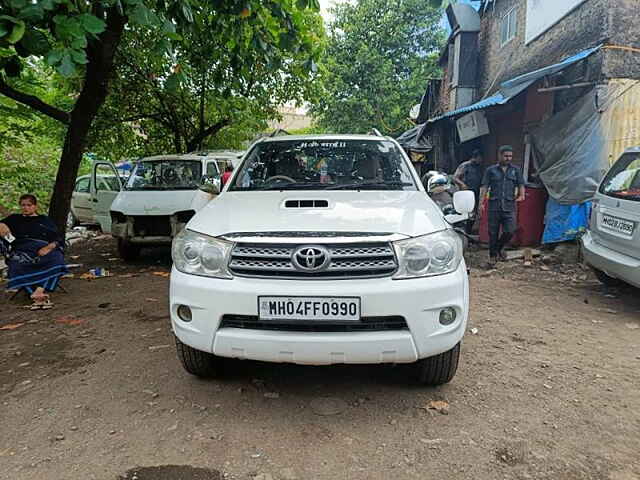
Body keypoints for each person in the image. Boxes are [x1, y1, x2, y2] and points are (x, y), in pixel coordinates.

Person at [0, 194, 67, 309]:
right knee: (16, 263)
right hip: (22, 250)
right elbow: (2, 227)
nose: (26, 208)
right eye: (23, 205)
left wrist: (49, 247)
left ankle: (39, 290)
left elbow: (58, 238)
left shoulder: (44, 220)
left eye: (29, 205)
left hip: (43, 248)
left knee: (58, 259)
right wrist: (2, 226)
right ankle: (37, 294)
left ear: (35, 206)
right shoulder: (14, 219)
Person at [479, 145, 525, 267]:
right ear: (499, 155)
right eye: (505, 156)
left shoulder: (516, 170)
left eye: (510, 156)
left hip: (509, 205)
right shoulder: (491, 170)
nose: (508, 158)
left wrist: (522, 195)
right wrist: (481, 203)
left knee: (510, 230)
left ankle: (498, 248)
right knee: (492, 233)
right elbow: (484, 187)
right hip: (494, 205)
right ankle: (493, 256)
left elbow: (521, 184)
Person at [453, 149, 484, 233]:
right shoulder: (465, 165)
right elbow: (455, 177)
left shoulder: (479, 167)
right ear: (476, 157)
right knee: (464, 213)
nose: (481, 160)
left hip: (475, 193)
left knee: (473, 214)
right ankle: (462, 231)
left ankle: (468, 232)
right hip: (465, 194)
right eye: (480, 158)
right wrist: (462, 184)